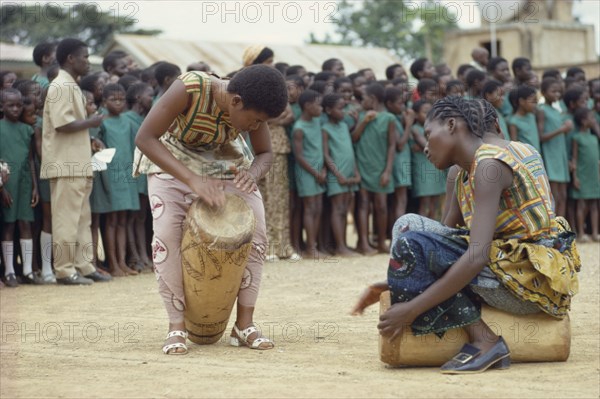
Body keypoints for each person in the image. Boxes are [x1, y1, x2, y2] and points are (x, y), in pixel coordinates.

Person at [352, 96, 581, 374]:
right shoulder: (466, 170)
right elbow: (444, 241)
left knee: (408, 232)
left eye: (428, 135)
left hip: (529, 285)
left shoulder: (489, 166)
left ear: (451, 125)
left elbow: (476, 255)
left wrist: (410, 309)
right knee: (410, 227)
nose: (424, 147)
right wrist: (394, 279)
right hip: (510, 271)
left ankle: (485, 340)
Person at [134, 65, 288, 354]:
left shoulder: (255, 103)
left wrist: (252, 174)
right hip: (171, 159)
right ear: (236, 101)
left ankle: (244, 324)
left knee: (256, 234)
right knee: (166, 237)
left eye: (260, 123)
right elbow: (145, 138)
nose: (254, 127)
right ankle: (176, 326)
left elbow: (265, 153)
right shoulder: (189, 88)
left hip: (225, 162)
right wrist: (193, 179)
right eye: (253, 121)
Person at [40, 38, 111, 285]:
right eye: (85, 56)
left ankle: (84, 265)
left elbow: (71, 126)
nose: (88, 61)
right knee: (66, 219)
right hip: (66, 164)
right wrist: (91, 123)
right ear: (70, 58)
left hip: (78, 163)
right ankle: (64, 270)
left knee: (82, 218)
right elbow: (62, 124)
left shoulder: (71, 85)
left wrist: (90, 138)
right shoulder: (61, 85)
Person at [0, 89, 39, 287]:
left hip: (24, 182)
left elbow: (31, 159)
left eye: (18, 105)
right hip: (7, 183)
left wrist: (35, 187)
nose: (16, 109)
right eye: (11, 105)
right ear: (2, 107)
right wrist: (2, 188)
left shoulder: (27, 130)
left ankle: (28, 271)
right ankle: (9, 272)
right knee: (9, 225)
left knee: (25, 224)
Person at [352, 83, 397, 254]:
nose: (361, 101)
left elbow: (392, 145)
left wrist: (387, 171)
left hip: (381, 168)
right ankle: (363, 242)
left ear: (372, 99)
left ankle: (381, 243)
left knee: (381, 206)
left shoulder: (389, 118)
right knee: (363, 205)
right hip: (363, 165)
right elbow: (354, 138)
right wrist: (363, 121)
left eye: (363, 98)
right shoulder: (361, 116)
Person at [101, 83, 140, 277]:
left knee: (124, 220)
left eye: (121, 99)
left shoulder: (128, 122)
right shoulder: (101, 122)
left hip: (127, 175)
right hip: (110, 176)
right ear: (104, 101)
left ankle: (123, 263)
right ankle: (113, 264)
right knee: (111, 220)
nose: (118, 103)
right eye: (113, 99)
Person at [321, 93, 360, 256]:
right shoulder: (325, 129)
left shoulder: (344, 125)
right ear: (329, 110)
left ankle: (343, 244)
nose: (343, 112)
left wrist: (356, 172)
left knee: (345, 209)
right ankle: (340, 246)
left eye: (344, 108)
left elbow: (350, 150)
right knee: (337, 209)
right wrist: (338, 175)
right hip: (337, 176)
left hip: (350, 174)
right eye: (340, 108)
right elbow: (326, 154)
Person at [123, 83, 155, 271]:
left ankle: (144, 255)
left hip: (144, 174)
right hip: (131, 175)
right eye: (149, 95)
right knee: (131, 218)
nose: (152, 98)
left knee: (142, 217)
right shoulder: (127, 120)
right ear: (137, 98)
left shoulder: (145, 119)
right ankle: (135, 256)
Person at [292, 89, 326, 259]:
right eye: (318, 105)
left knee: (318, 208)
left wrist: (323, 170)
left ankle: (314, 246)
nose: (321, 108)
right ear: (307, 106)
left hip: (319, 171)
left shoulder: (317, 121)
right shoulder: (299, 128)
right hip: (307, 173)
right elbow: (299, 156)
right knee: (310, 207)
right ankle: (310, 248)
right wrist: (315, 173)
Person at [537, 78, 573, 217]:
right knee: (554, 195)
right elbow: (541, 136)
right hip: (551, 156)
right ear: (543, 92)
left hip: (560, 156)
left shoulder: (556, 110)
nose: (557, 94)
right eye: (553, 91)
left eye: (559, 92)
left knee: (563, 195)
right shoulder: (542, 110)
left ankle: (561, 227)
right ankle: (553, 227)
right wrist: (562, 129)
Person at [409, 100, 446, 219]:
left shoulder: (436, 129)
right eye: (425, 112)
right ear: (415, 114)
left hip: (435, 168)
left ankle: (432, 231)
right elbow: (427, 146)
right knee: (424, 204)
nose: (429, 115)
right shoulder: (414, 128)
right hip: (423, 170)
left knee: (434, 204)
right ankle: (422, 232)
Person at [570, 107, 600, 242]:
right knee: (582, 204)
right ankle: (581, 233)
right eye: (591, 118)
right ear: (583, 121)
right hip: (582, 174)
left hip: (594, 175)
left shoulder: (594, 138)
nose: (594, 120)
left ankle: (594, 233)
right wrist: (575, 177)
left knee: (594, 204)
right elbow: (574, 159)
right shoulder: (577, 137)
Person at [384, 87, 412, 230]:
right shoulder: (391, 119)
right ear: (389, 104)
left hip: (401, 162)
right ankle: (400, 232)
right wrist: (408, 124)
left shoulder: (395, 118)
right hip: (399, 162)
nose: (402, 107)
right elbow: (400, 145)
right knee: (401, 200)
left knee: (398, 201)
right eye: (399, 103)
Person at [508, 85, 542, 154]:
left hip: (537, 156)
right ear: (522, 101)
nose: (535, 105)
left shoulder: (531, 116)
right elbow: (514, 146)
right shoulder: (513, 122)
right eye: (532, 102)